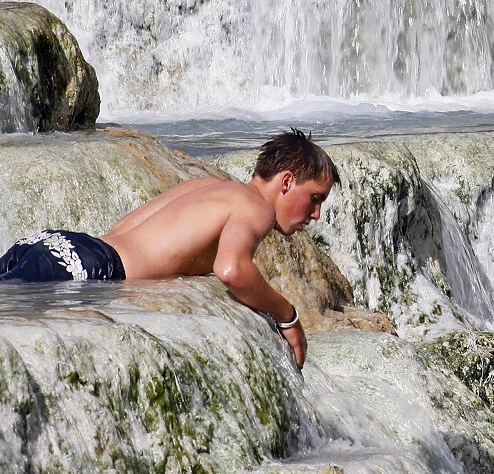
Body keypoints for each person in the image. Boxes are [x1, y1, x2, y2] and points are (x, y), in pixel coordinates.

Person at [0, 130, 338, 368]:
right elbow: (232, 270)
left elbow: (120, 232)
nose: (316, 214)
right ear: (287, 181)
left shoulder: (207, 186)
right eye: (315, 198)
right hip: (90, 267)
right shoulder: (256, 207)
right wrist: (288, 316)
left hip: (60, 246)